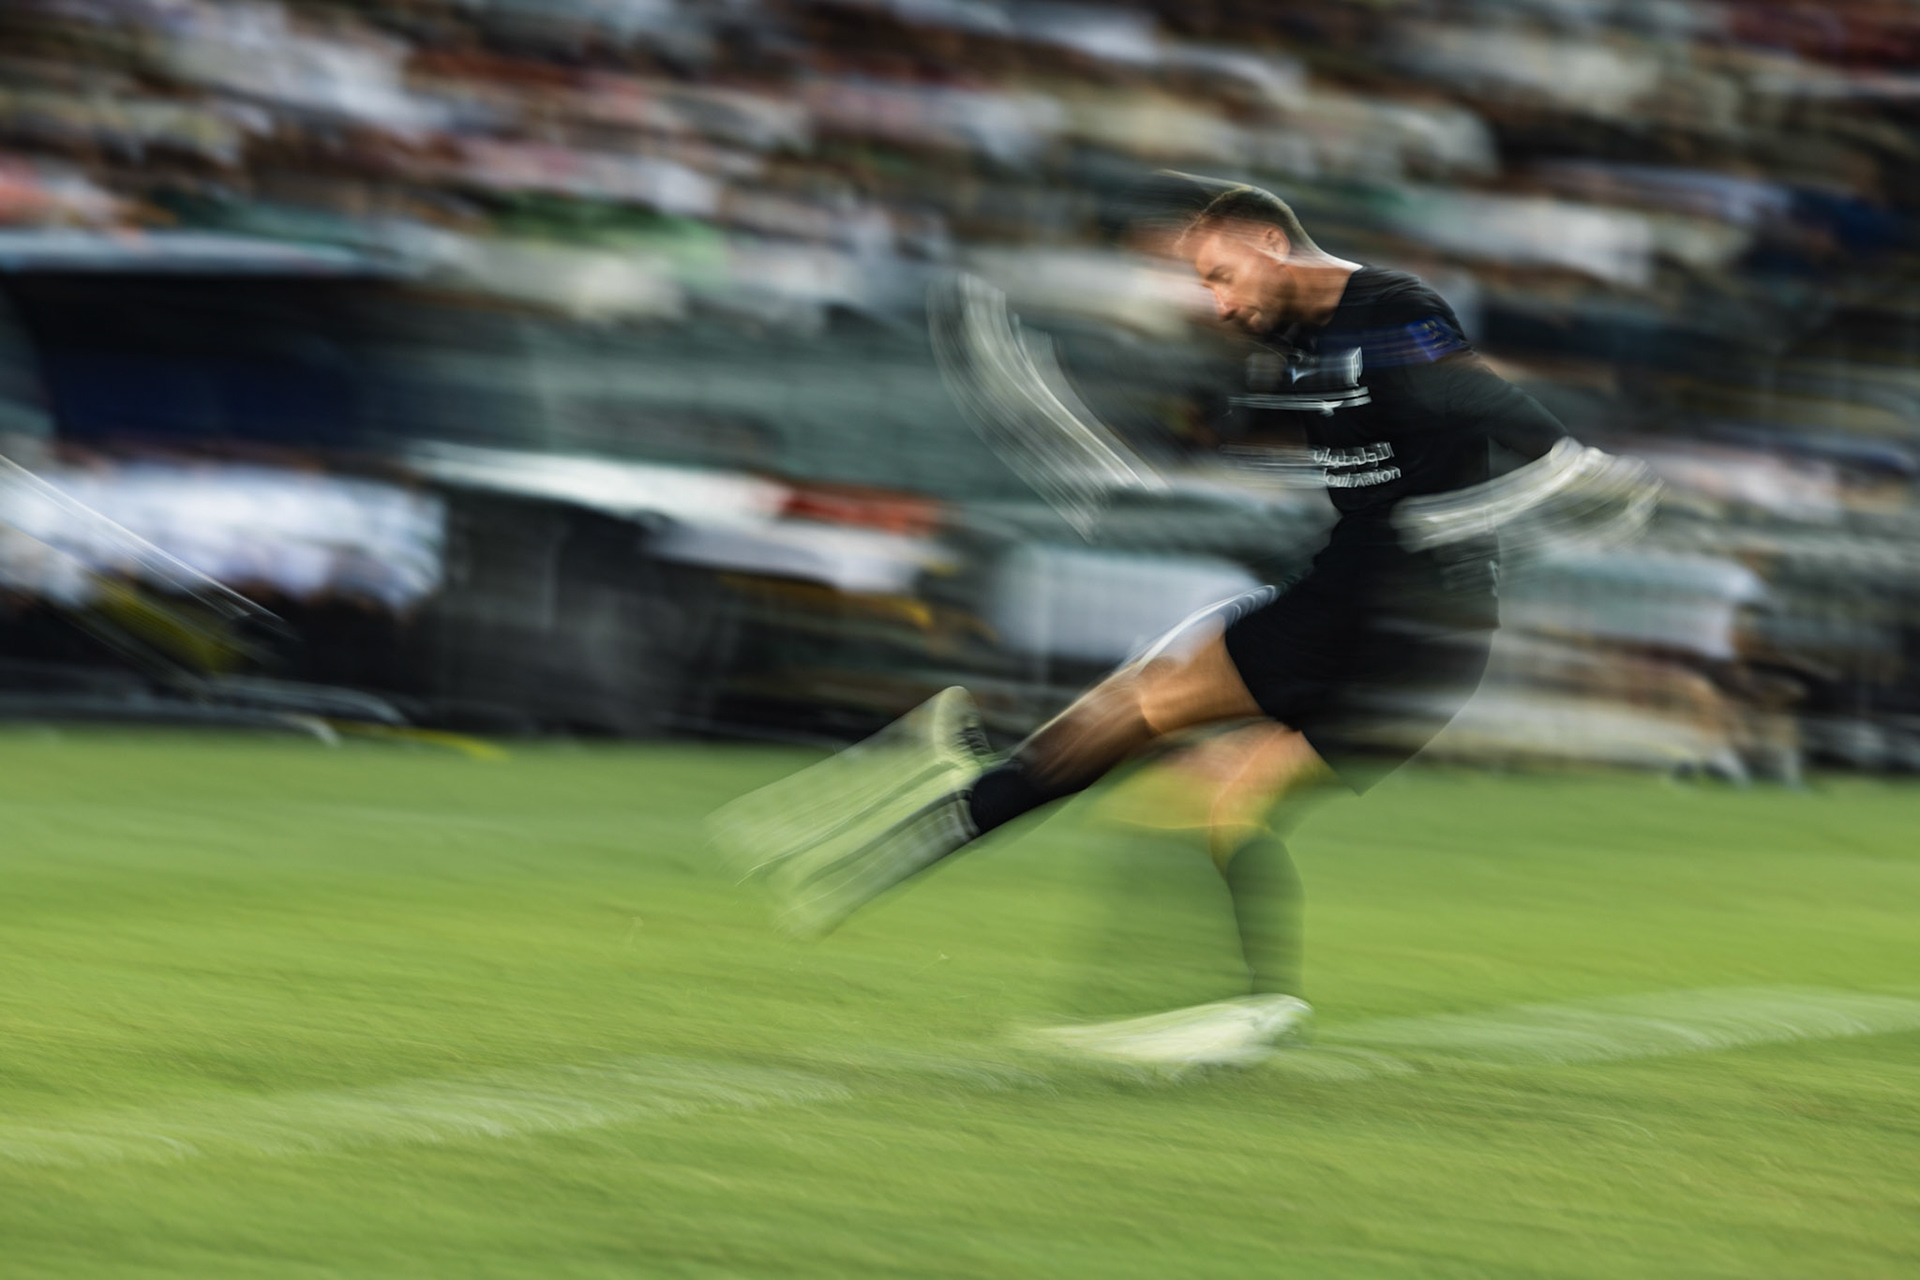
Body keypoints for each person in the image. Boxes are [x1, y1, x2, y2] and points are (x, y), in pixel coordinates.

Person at [711, 181, 1651, 1067]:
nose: (1215, 301)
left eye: (1219, 274)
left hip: (1425, 624)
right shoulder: (1290, 346)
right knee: (1121, 718)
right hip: (1339, 596)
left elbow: (1467, 394)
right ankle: (900, 848)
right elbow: (1241, 431)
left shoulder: (1393, 309)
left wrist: (1569, 458)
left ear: (1270, 243)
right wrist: (1075, 424)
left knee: (1207, 798)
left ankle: (1247, 1003)